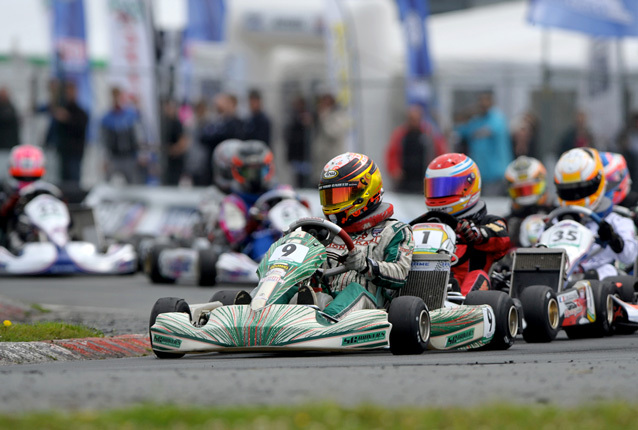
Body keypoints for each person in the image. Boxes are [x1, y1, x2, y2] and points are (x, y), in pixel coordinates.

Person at [301, 152, 415, 318]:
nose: (334, 203)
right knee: (295, 290)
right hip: (324, 300)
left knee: (354, 291)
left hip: (371, 309)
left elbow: (400, 273)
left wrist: (366, 265)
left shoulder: (395, 231)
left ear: (366, 191)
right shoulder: (324, 231)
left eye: (340, 195)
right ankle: (258, 311)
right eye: (330, 196)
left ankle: (324, 325)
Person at [421, 153, 511, 295]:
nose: (440, 194)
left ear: (470, 185)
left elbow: (501, 238)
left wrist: (476, 234)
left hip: (470, 297)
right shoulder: (425, 225)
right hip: (428, 288)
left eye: (448, 188)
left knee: (477, 275)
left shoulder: (488, 222)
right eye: (435, 188)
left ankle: (462, 307)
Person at [553, 148, 637, 280]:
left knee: (605, 273)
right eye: (569, 191)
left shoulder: (617, 220)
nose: (576, 196)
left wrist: (613, 239)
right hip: (562, 278)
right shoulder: (554, 222)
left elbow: (629, 256)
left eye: (582, 189)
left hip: (601, 281)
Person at [455, 93, 512, 194]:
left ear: (491, 102)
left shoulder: (497, 119)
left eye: (485, 101)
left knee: (492, 203)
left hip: (495, 173)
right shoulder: (476, 120)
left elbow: (488, 130)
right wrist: (465, 115)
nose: (482, 104)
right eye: (480, 101)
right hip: (479, 173)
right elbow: (461, 131)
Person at [386, 104, 448, 193]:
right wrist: (394, 170)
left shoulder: (429, 134)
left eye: (416, 119)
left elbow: (440, 153)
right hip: (404, 181)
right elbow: (392, 154)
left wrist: (438, 172)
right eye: (411, 119)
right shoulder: (400, 135)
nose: (413, 122)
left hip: (423, 180)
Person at [0, 145, 52, 250]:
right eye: (22, 178)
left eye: (31, 178)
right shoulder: (6, 193)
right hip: (13, 240)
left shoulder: (49, 192)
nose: (27, 184)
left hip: (46, 233)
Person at [504, 156, 554, 247]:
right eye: (520, 191)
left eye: (529, 189)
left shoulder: (556, 214)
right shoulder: (505, 224)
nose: (526, 196)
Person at [199, 93, 244, 186]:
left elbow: (228, 137)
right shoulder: (215, 122)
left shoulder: (237, 123)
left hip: (231, 166)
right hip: (212, 166)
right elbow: (203, 137)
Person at [101, 87, 142, 184]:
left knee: (133, 183)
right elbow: (103, 140)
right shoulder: (106, 118)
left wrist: (140, 154)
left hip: (129, 157)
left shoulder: (130, 115)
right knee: (107, 183)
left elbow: (138, 135)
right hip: (113, 157)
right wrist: (104, 158)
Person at [51, 82, 88, 188]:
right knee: (62, 182)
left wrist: (67, 119)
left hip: (75, 153)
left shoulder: (80, 112)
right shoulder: (61, 109)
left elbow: (80, 128)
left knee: (74, 182)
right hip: (63, 152)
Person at [311, 93, 348, 183]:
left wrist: (325, 117)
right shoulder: (320, 116)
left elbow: (333, 133)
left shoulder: (337, 116)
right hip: (320, 160)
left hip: (333, 160)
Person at [284, 96, 312, 188]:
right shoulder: (293, 118)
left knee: (305, 179)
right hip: (296, 155)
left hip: (305, 155)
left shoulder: (308, 117)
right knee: (296, 179)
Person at [160, 99, 188, 185]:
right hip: (168, 160)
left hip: (176, 160)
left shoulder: (177, 123)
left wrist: (171, 150)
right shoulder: (165, 123)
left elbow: (183, 142)